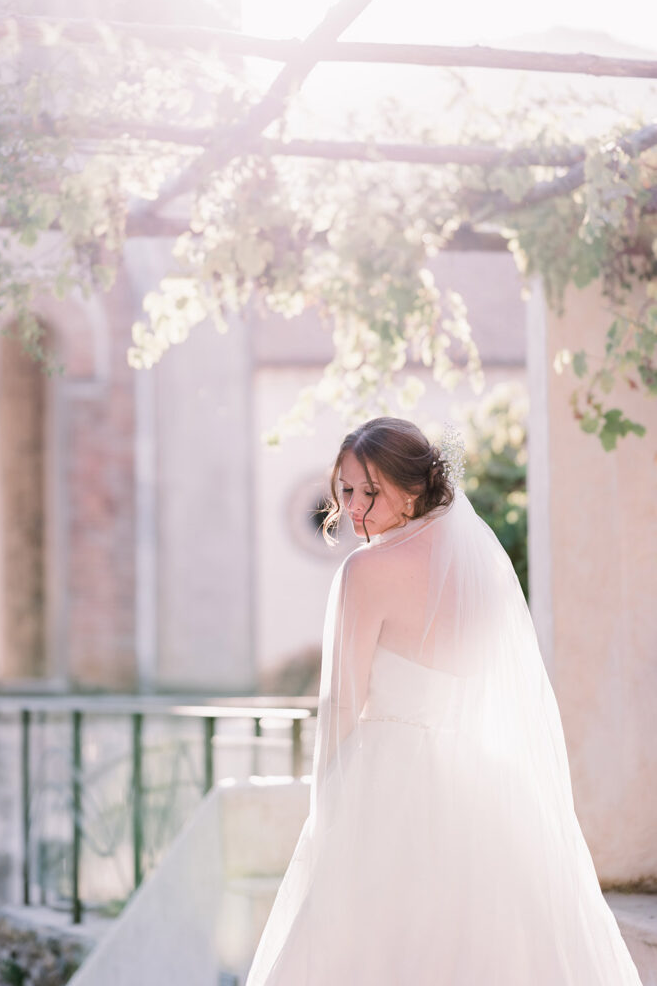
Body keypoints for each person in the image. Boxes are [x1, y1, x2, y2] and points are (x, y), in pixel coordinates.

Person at [246, 416, 644, 985]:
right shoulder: (480, 569)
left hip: (384, 783)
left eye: (370, 491)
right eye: (347, 490)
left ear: (412, 489)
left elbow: (340, 704)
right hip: (479, 782)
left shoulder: (365, 570)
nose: (355, 508)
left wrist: (327, 810)